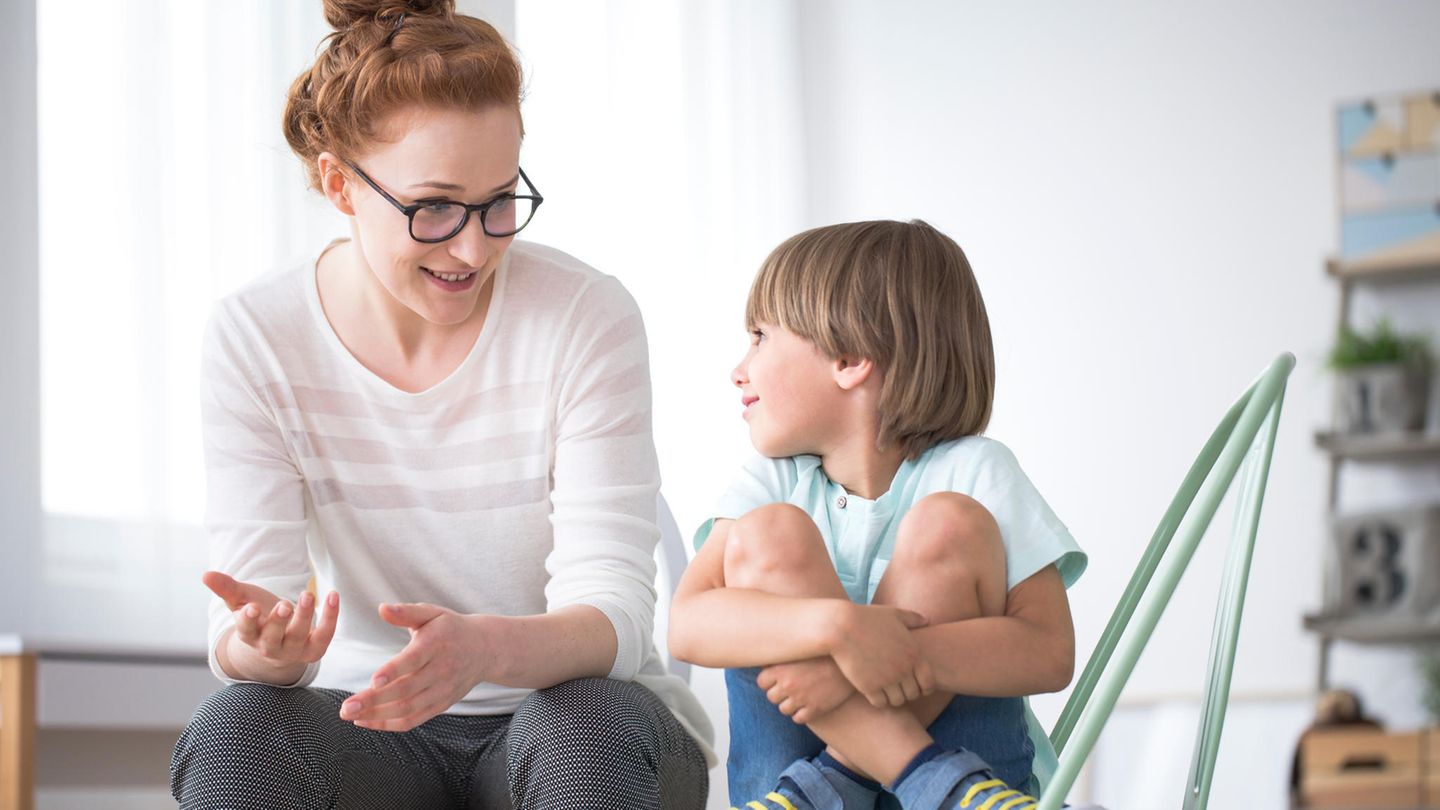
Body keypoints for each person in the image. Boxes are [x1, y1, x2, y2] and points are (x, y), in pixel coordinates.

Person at [168, 2, 712, 807]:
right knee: (236, 729)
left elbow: (618, 618)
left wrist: (485, 649)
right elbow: (252, 627)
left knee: (581, 725)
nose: (473, 247)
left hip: (572, 722)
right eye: (434, 207)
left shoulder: (584, 315)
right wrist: (270, 649)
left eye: (500, 201)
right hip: (372, 729)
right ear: (339, 184)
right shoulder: (258, 334)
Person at [669, 220, 1089, 810]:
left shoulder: (974, 472)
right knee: (771, 533)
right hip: (803, 781)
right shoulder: (772, 483)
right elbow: (687, 626)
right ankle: (926, 777)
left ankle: (837, 784)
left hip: (973, 790)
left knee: (950, 524)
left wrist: (891, 658)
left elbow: (1048, 652)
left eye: (761, 337)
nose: (739, 368)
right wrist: (839, 631)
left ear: (849, 358)